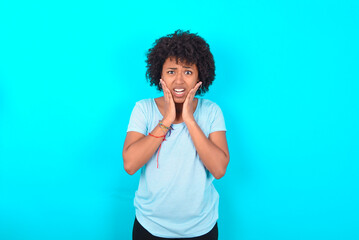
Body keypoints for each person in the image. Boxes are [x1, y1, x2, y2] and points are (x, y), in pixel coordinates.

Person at [123, 30, 230, 240]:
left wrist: (189, 119)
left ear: (200, 76)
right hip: (149, 227)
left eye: (188, 72)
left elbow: (218, 169)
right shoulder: (143, 109)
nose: (179, 81)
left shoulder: (211, 111)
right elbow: (130, 165)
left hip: (201, 228)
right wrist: (167, 120)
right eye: (171, 71)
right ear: (160, 75)